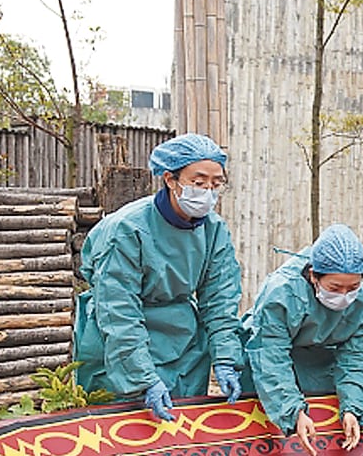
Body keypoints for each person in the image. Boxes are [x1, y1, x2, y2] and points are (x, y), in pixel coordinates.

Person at [73, 133, 244, 422]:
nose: (208, 192)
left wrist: (226, 359)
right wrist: (143, 378)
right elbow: (118, 313)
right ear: (170, 179)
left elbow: (221, 301)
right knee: (121, 433)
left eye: (216, 184)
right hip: (118, 343)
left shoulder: (214, 231)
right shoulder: (126, 230)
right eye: (199, 183)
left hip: (182, 341)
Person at [243, 224, 363, 455]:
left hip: (317, 359)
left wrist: (353, 408)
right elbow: (271, 356)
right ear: (313, 276)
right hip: (267, 358)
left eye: (353, 287)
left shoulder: (362, 303)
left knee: (324, 420)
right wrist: (292, 411)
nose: (344, 296)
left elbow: (359, 357)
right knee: (265, 433)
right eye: (335, 287)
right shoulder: (282, 293)